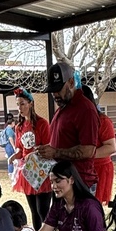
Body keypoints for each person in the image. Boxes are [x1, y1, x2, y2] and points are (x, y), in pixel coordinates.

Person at [35, 58, 99, 193]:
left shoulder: (85, 109)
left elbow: (88, 150)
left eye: (58, 89)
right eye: (52, 90)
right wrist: (48, 150)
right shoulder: (63, 107)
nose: (55, 95)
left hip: (79, 183)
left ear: (71, 82)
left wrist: (56, 152)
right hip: (62, 181)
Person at [9, 86, 53, 231]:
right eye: (18, 104)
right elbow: (20, 148)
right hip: (27, 172)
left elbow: (47, 147)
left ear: (31, 103)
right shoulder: (19, 127)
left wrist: (32, 154)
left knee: (43, 209)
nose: (20, 108)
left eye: (22, 103)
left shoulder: (42, 123)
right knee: (33, 210)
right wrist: (15, 155)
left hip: (40, 170)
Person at [81, 85, 116, 204]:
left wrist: (86, 154)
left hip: (98, 170)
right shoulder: (75, 120)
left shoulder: (103, 121)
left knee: (93, 206)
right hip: (80, 168)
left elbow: (111, 147)